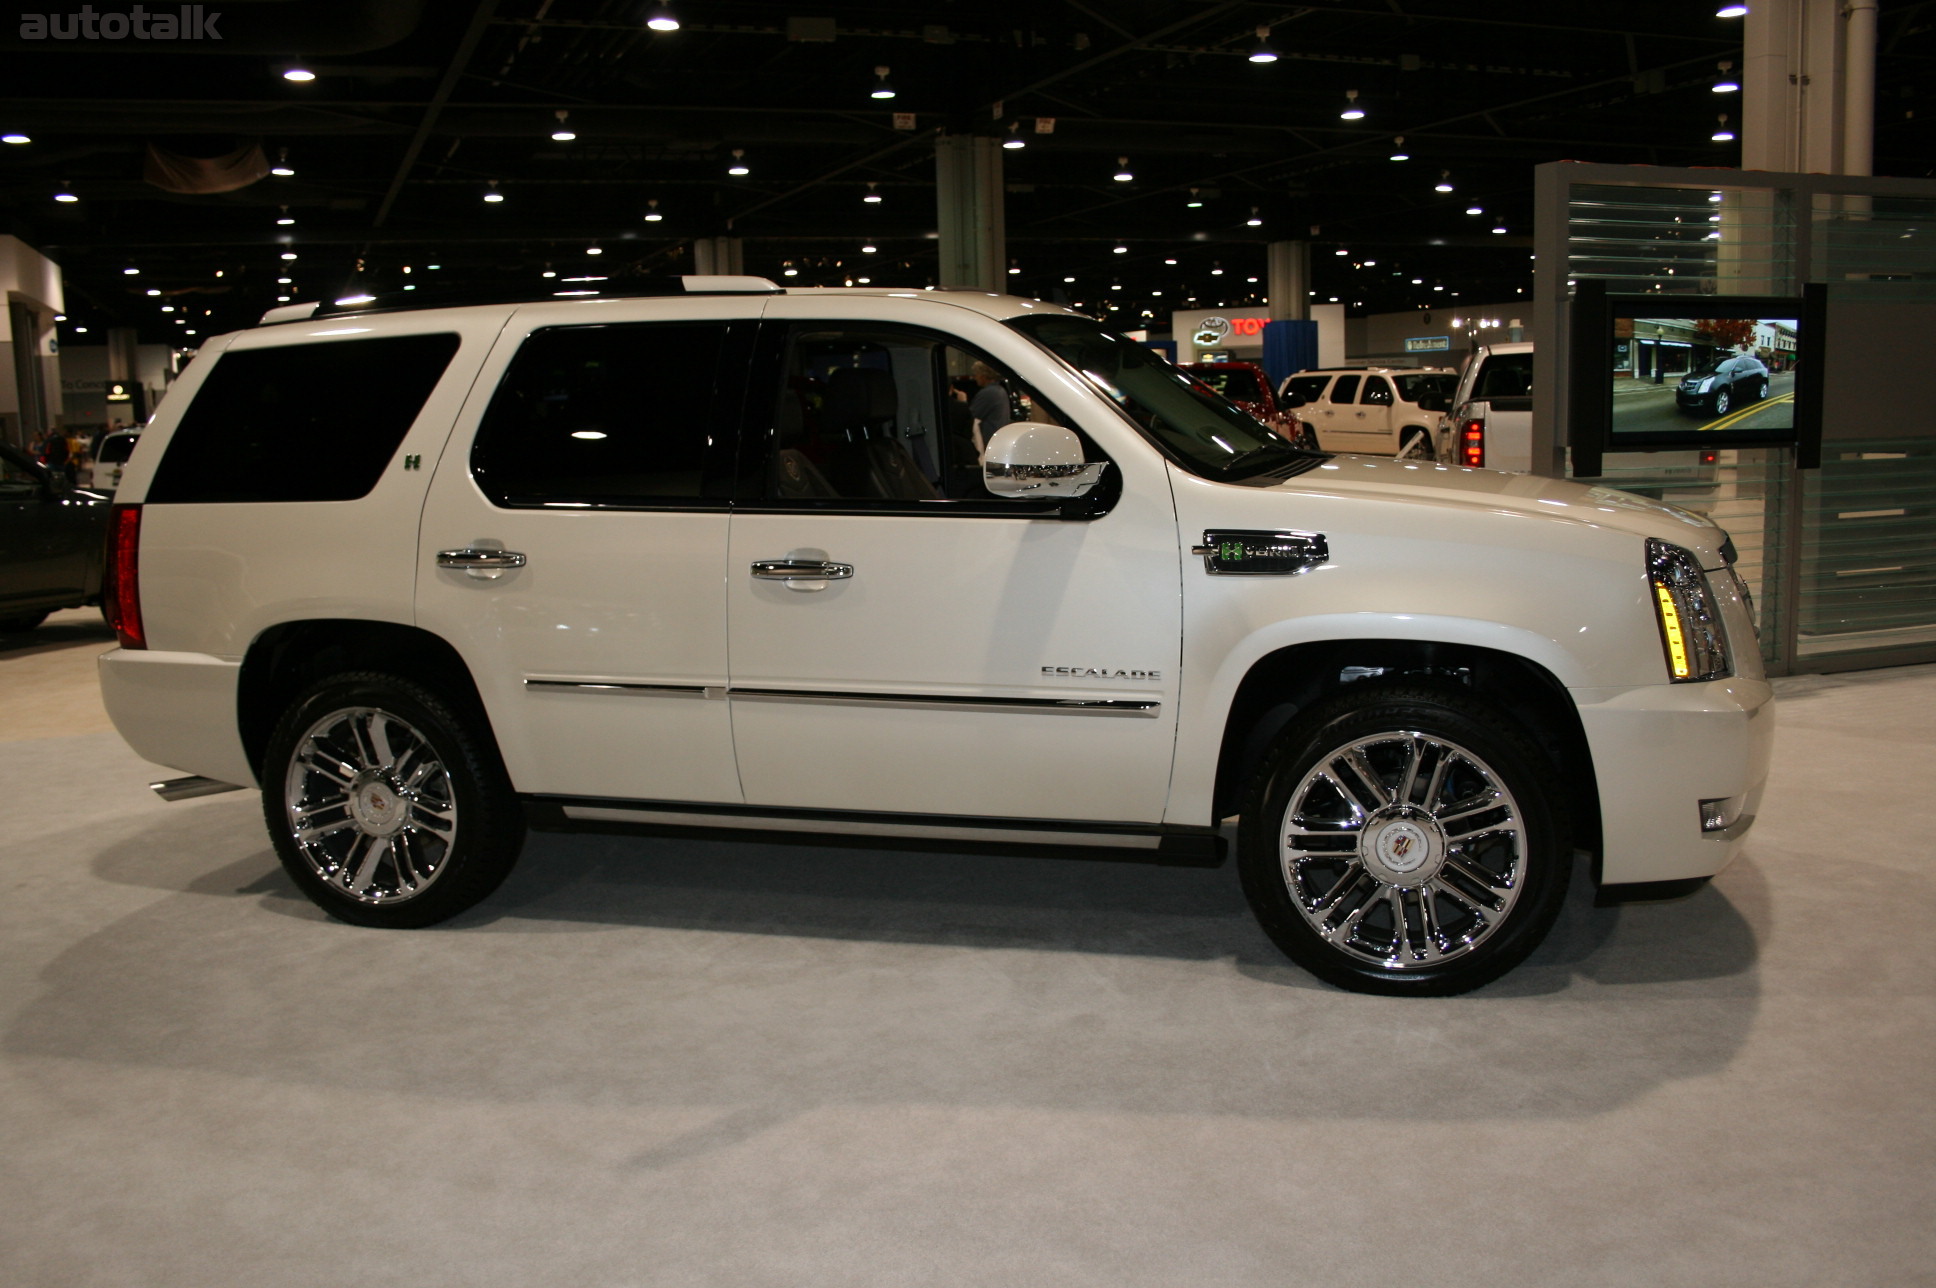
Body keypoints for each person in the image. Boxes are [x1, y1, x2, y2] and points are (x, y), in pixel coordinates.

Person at [967, 361, 1011, 449]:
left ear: (983, 375)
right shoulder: (1000, 390)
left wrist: (963, 402)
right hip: (998, 440)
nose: (975, 377)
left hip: (989, 442)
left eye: (977, 374)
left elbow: (970, 417)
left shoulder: (988, 393)